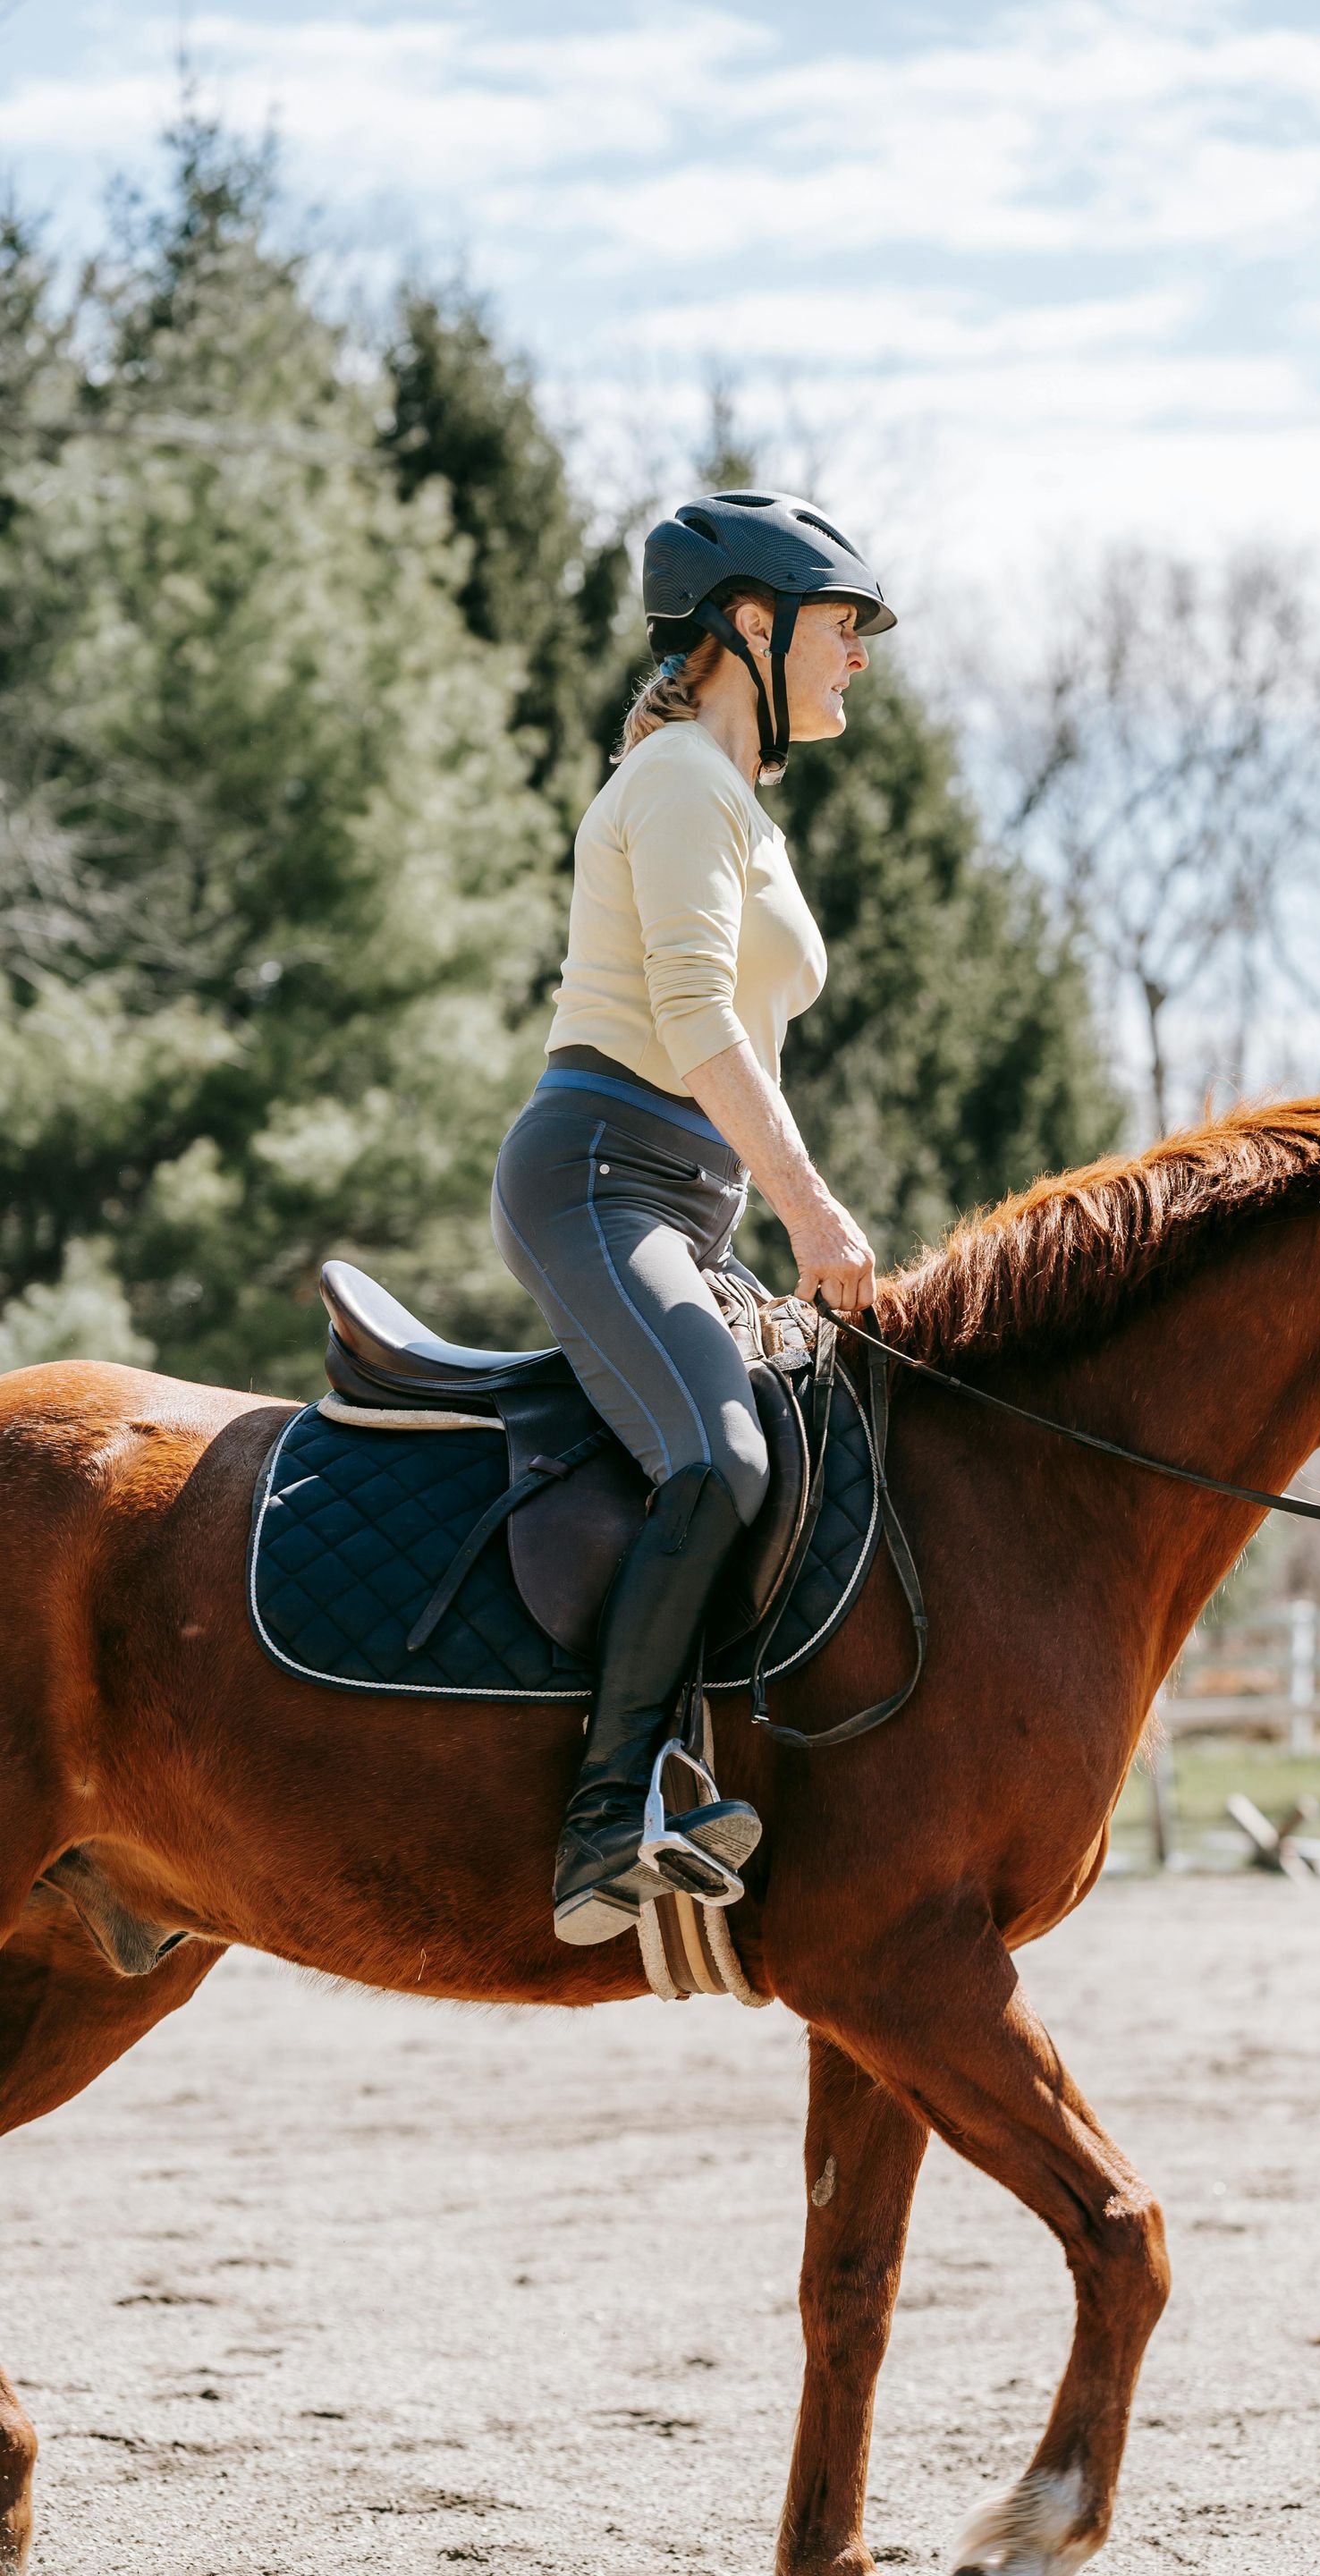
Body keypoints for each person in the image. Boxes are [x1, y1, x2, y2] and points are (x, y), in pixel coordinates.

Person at [492, 491, 893, 1946]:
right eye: (842, 629)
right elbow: (695, 1026)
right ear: (750, 625)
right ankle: (606, 1823)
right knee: (716, 1458)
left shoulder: (737, 807)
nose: (856, 658)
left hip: (682, 1198)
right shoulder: (675, 783)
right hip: (601, 1174)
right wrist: (820, 1218)